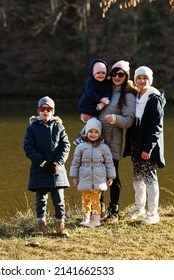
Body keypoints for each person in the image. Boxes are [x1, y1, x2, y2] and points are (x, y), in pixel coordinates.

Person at [123, 66, 166, 225]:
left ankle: (153, 213)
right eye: (139, 78)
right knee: (137, 176)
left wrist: (148, 148)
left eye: (145, 78)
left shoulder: (154, 97)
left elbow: (156, 126)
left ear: (150, 80)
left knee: (150, 178)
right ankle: (138, 208)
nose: (142, 81)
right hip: (136, 141)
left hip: (148, 144)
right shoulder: (137, 95)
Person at [23, 96, 71, 237]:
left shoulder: (59, 127)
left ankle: (59, 225)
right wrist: (43, 163)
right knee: (41, 200)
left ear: (53, 111)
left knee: (59, 200)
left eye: (48, 109)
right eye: (42, 109)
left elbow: (65, 146)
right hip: (40, 169)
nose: (45, 111)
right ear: (38, 111)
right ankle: (41, 226)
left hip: (57, 170)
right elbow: (28, 148)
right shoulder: (32, 128)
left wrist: (57, 163)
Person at [98, 60, 138, 222]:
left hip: (113, 140)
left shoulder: (127, 95)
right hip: (97, 139)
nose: (116, 77)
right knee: (96, 174)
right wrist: (85, 116)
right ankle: (96, 208)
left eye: (120, 74)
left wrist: (115, 119)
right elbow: (94, 109)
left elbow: (129, 120)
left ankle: (114, 211)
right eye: (114, 73)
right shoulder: (105, 90)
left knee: (112, 175)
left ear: (126, 75)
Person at [69, 118, 116, 227]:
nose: (93, 134)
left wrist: (111, 176)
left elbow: (109, 162)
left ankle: (96, 219)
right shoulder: (80, 147)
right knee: (85, 199)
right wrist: (74, 177)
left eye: (96, 132)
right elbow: (75, 162)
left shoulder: (104, 147)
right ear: (86, 133)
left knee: (95, 200)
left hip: (98, 177)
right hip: (84, 177)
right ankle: (85, 218)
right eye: (90, 131)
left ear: (100, 134)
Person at [74, 59, 113, 145]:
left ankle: (93, 140)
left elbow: (109, 94)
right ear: (93, 73)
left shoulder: (107, 83)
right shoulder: (90, 82)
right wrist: (101, 100)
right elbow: (90, 93)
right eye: (98, 73)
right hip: (87, 105)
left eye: (103, 73)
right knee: (92, 121)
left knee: (95, 122)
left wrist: (103, 103)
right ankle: (81, 137)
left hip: (97, 107)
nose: (101, 75)